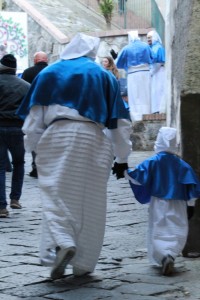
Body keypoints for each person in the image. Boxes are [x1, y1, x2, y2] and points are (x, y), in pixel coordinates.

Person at [17, 33, 132, 280]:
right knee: (91, 202)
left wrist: (33, 148)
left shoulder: (48, 74)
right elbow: (120, 123)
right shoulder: (104, 77)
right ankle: (83, 264)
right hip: (94, 139)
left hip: (56, 135)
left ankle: (63, 241)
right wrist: (122, 158)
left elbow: (34, 120)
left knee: (55, 195)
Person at [125, 127, 200, 276]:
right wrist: (191, 205)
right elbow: (192, 186)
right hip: (179, 203)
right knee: (177, 228)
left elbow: (136, 177)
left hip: (158, 202)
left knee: (159, 226)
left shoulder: (152, 162)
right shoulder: (182, 165)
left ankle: (163, 255)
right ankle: (171, 253)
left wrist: (124, 170)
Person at [0, 54, 30, 218]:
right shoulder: (25, 85)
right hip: (18, 129)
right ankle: (15, 198)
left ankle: (1, 207)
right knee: (19, 163)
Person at [116, 30, 153, 122]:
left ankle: (135, 116)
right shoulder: (145, 46)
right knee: (145, 93)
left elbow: (118, 63)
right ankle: (147, 113)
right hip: (145, 72)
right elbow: (153, 57)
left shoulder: (126, 48)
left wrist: (126, 67)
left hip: (132, 73)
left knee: (134, 94)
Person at [22, 51, 48, 178]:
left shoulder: (28, 72)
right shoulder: (52, 71)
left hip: (33, 109)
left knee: (34, 135)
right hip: (51, 110)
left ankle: (35, 166)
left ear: (35, 60)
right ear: (46, 59)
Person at [147, 30, 166, 114]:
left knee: (159, 90)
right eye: (147, 38)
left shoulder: (158, 47)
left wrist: (152, 72)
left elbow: (159, 62)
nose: (148, 40)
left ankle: (159, 109)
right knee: (154, 91)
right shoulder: (150, 47)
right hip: (153, 72)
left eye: (150, 38)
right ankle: (155, 109)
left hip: (158, 72)